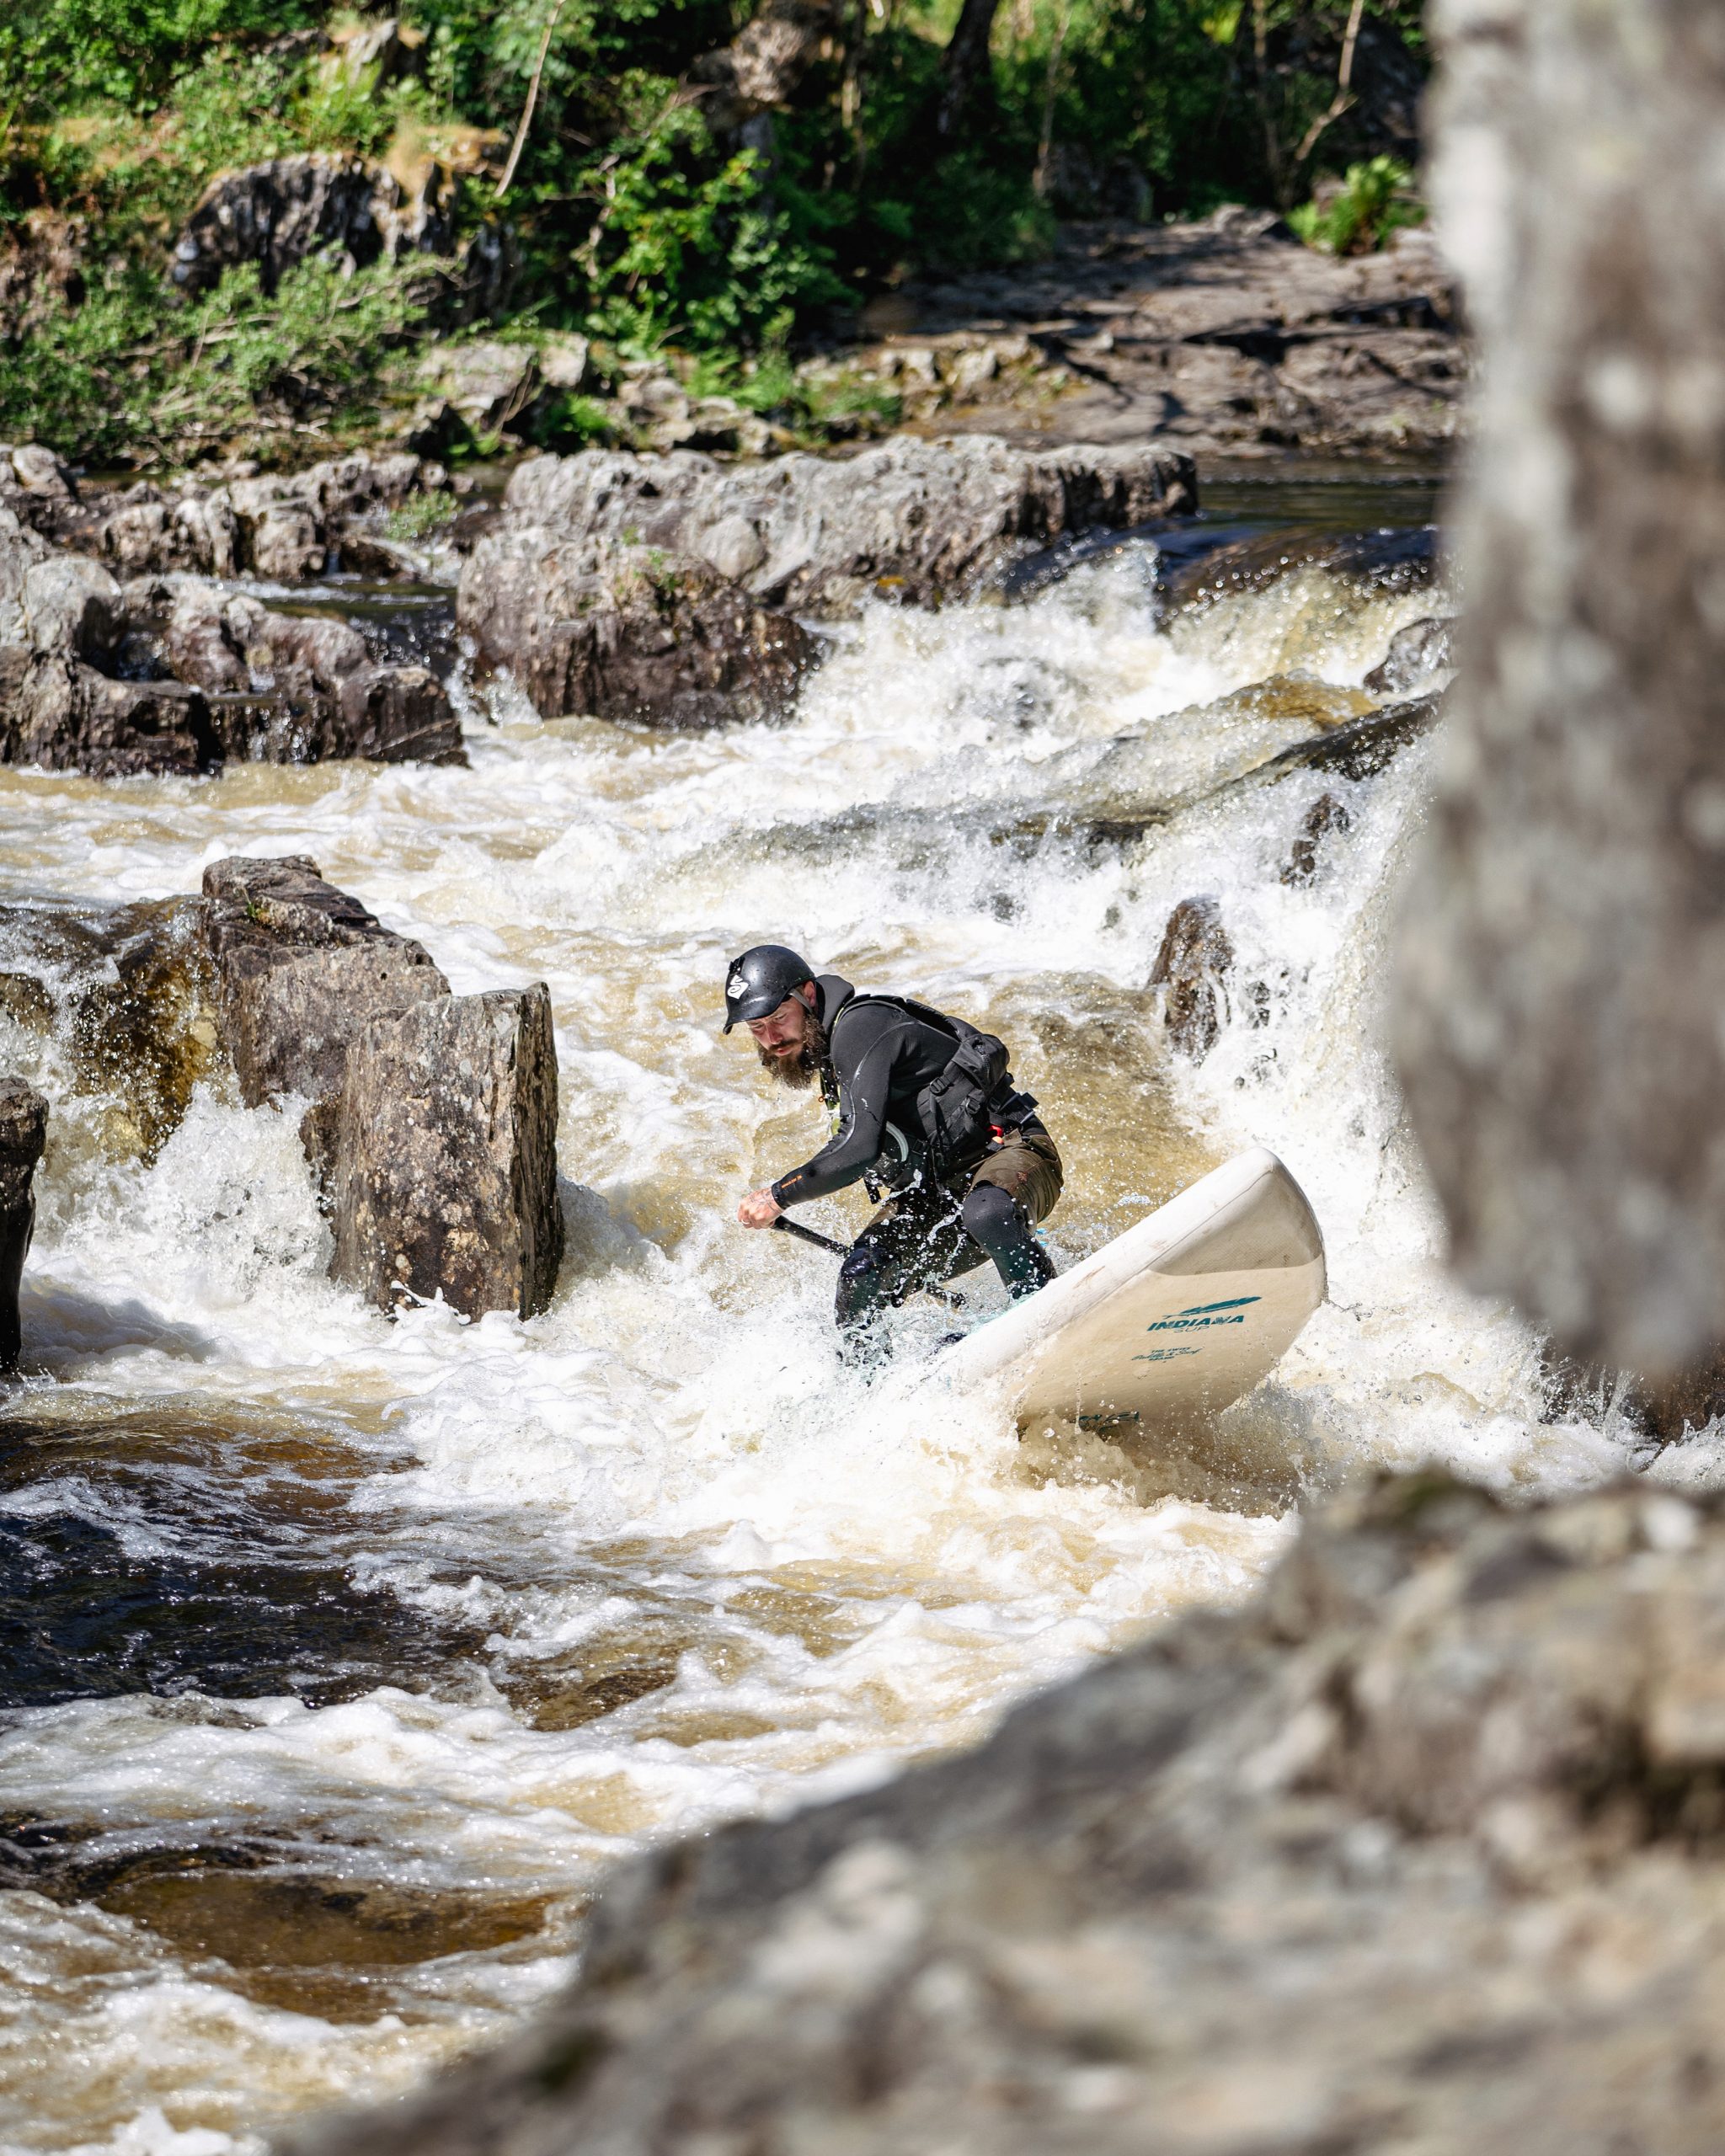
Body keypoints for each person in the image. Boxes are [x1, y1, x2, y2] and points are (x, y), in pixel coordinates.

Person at [725, 943, 1061, 1347]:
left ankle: (1051, 1330)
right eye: (757, 1028)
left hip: (1009, 1152)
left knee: (987, 1212)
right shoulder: (827, 1051)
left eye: (778, 1018)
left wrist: (778, 1195)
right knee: (860, 1276)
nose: (772, 1038)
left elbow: (857, 1149)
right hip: (938, 1190)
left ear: (808, 996)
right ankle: (868, 1385)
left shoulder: (862, 1025)